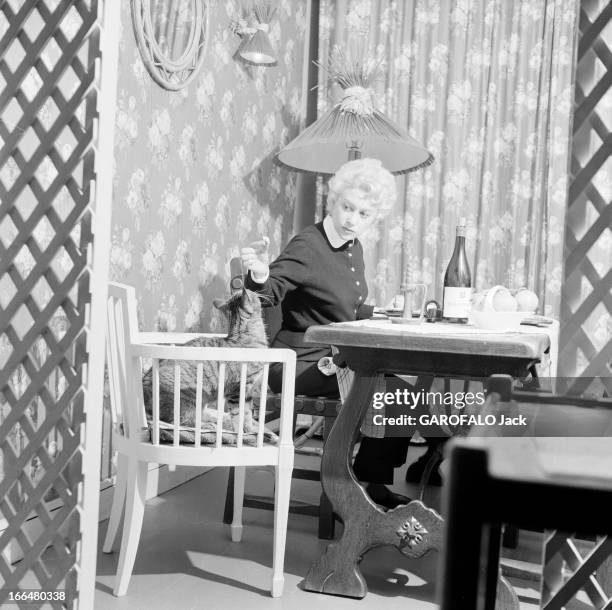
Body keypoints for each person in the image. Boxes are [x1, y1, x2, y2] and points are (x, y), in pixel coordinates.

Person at [241, 157, 412, 509]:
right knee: (392, 394)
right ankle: (356, 490)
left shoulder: (353, 246)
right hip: (297, 361)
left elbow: (338, 304)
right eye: (347, 207)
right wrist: (258, 274)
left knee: (400, 394)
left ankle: (368, 483)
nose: (352, 218)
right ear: (332, 201)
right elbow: (268, 292)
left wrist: (374, 314)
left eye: (363, 213)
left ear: (374, 218)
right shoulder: (309, 244)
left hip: (332, 355)